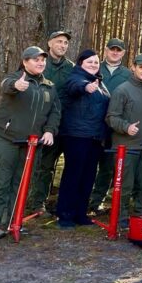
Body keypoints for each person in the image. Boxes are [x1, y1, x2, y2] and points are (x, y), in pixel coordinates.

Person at [0, 47, 61, 239]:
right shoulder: (15, 78)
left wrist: (50, 131)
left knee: (20, 185)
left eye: (43, 60)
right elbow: (6, 85)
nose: (41, 63)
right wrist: (16, 85)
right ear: (25, 62)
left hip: (31, 144)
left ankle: (12, 222)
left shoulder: (49, 86)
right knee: (1, 182)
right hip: (6, 139)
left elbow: (55, 112)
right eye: (36, 60)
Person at [105, 54, 142, 227]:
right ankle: (121, 216)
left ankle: (140, 214)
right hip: (126, 146)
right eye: (141, 67)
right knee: (125, 185)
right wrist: (126, 127)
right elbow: (111, 117)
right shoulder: (122, 90)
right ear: (133, 67)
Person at [54, 49, 111, 228]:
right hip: (77, 136)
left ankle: (80, 214)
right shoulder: (76, 77)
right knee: (73, 175)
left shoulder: (99, 82)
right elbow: (75, 87)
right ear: (81, 64)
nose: (93, 65)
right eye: (89, 62)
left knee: (88, 176)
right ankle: (65, 215)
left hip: (95, 137)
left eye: (96, 62)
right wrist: (85, 87)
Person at [26, 29, 77, 215]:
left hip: (68, 125)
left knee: (71, 167)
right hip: (44, 125)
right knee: (44, 166)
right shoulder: (41, 65)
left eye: (65, 43)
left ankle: (66, 204)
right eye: (59, 41)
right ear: (49, 44)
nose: (62, 45)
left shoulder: (72, 68)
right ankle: (37, 203)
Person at [88, 38, 132, 214]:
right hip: (93, 124)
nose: (115, 52)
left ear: (123, 53)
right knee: (88, 164)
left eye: (118, 50)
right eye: (112, 49)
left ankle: (96, 201)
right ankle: (82, 199)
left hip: (114, 126)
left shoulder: (128, 74)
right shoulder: (94, 68)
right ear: (106, 50)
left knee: (107, 167)